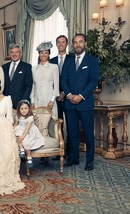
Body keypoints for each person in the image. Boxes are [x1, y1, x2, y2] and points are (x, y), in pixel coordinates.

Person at [60, 33, 99, 171]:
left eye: (80, 42)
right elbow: (63, 80)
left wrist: (81, 96)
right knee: (72, 133)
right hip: (70, 103)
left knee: (88, 133)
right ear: (72, 44)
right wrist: (70, 95)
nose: (78, 45)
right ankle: (74, 158)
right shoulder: (68, 61)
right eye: (75, 42)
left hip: (85, 103)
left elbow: (94, 81)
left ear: (85, 43)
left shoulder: (92, 60)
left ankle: (90, 161)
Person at [49, 35, 71, 161]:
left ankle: (70, 152)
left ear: (66, 44)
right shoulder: (51, 61)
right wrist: (56, 94)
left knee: (71, 126)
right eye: (58, 42)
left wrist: (64, 92)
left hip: (68, 98)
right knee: (57, 125)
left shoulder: (72, 59)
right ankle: (59, 150)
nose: (61, 44)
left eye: (63, 42)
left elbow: (73, 79)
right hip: (56, 100)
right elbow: (50, 81)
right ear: (56, 45)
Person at [30, 41, 59, 117]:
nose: (43, 55)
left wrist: (52, 100)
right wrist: (32, 101)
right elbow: (33, 86)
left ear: (49, 54)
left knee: (51, 123)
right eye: (41, 52)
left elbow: (56, 86)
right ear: (39, 54)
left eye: (46, 52)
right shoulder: (34, 69)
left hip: (49, 100)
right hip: (37, 101)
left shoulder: (54, 67)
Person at [14, 100, 45, 168]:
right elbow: (16, 124)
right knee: (16, 134)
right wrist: (12, 131)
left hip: (29, 131)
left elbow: (27, 129)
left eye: (26, 108)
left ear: (29, 109)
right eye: (21, 109)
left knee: (26, 141)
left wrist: (23, 136)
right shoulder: (17, 116)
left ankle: (29, 157)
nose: (24, 110)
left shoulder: (30, 117)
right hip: (20, 129)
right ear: (19, 109)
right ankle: (21, 148)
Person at [2, 44, 33, 109]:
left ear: (20, 54)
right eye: (12, 52)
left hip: (21, 103)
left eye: (16, 52)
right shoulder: (4, 67)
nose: (14, 54)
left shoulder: (27, 67)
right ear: (9, 54)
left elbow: (28, 85)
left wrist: (23, 101)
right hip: (6, 102)